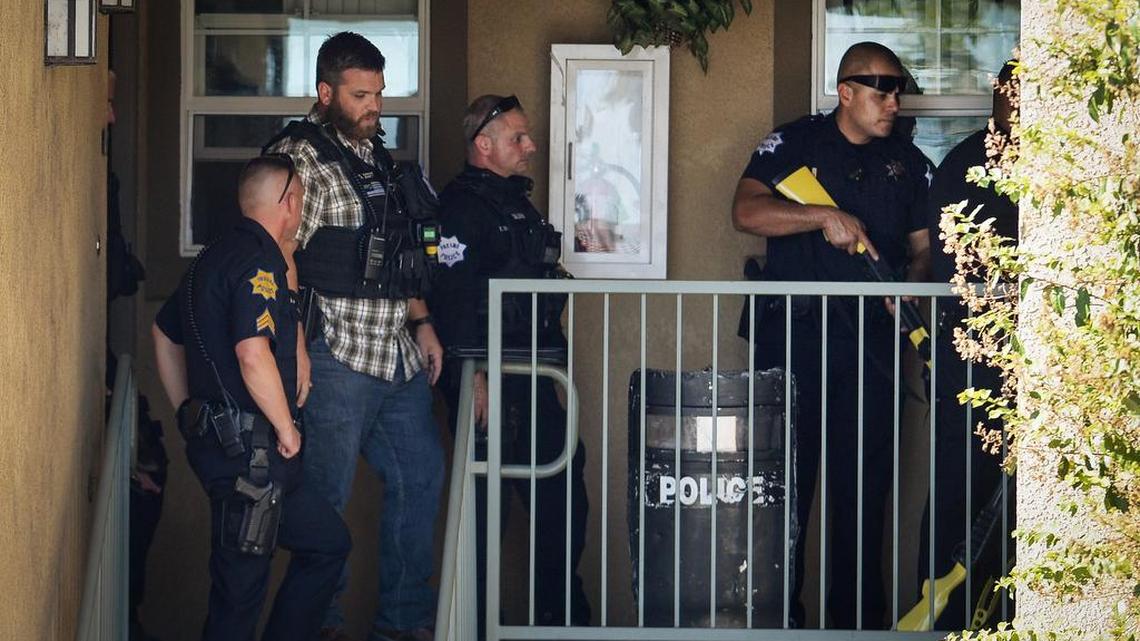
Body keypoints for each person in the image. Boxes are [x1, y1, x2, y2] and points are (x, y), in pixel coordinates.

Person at [732, 41, 933, 629]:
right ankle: (779, 624)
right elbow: (746, 210)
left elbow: (922, 250)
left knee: (862, 502)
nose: (893, 101)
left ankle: (856, 628)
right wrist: (822, 217)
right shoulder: (795, 143)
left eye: (899, 90)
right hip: (793, 347)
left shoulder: (910, 162)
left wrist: (909, 286)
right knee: (783, 498)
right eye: (881, 89)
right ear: (845, 92)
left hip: (873, 353)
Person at [264, 31, 444, 641]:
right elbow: (277, 255)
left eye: (380, 93)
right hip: (335, 354)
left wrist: (421, 321)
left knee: (421, 479)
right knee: (325, 500)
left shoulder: (378, 158)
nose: (375, 105)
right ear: (325, 92)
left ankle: (403, 625)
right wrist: (293, 351)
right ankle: (326, 628)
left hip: (396, 355)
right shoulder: (300, 158)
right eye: (361, 94)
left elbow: (399, 251)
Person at [151, 155, 350, 641]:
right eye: (301, 200)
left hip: (247, 456)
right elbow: (252, 353)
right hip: (253, 459)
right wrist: (286, 427)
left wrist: (185, 410)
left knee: (327, 544)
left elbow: (162, 332)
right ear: (289, 202)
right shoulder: (259, 261)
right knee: (239, 597)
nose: (302, 211)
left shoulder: (209, 260)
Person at [430, 94, 591, 629]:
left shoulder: (516, 203)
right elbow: (452, 295)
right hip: (489, 383)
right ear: (484, 145)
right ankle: (472, 628)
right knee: (482, 518)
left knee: (564, 501)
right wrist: (472, 374)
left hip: (533, 376)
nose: (531, 146)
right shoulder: (459, 206)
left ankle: (561, 621)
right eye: (518, 138)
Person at [918, 60, 1019, 630]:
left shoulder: (1052, 160)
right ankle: (940, 616)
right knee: (962, 485)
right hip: (973, 355)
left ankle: (1004, 615)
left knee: (1019, 499)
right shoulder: (968, 164)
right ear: (999, 95)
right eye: (1017, 91)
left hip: (1034, 362)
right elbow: (961, 263)